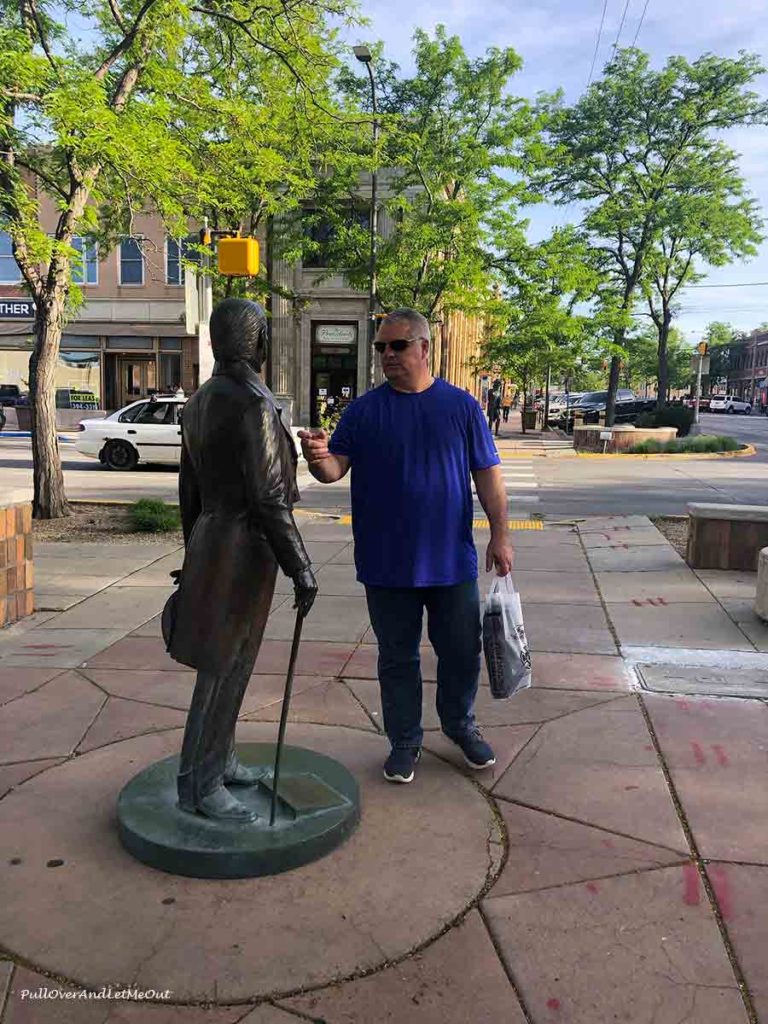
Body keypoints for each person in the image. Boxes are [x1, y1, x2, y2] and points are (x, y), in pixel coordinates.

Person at [299, 308, 514, 785]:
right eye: (380, 347)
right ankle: (405, 740)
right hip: (385, 563)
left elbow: (488, 476)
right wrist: (317, 458)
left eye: (396, 345)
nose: (386, 355)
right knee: (397, 658)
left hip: (450, 561)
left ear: (423, 348)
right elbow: (335, 470)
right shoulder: (363, 411)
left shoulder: (461, 407)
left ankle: (460, 725)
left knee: (460, 651)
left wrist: (500, 533)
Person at [167, 298, 318, 822]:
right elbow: (270, 496)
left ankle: (220, 758)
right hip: (244, 548)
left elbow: (189, 491)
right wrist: (299, 564)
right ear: (257, 344)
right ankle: (201, 784)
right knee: (224, 667)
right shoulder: (252, 402)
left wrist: (193, 553)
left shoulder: (200, 400)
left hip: (213, 540)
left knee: (226, 664)